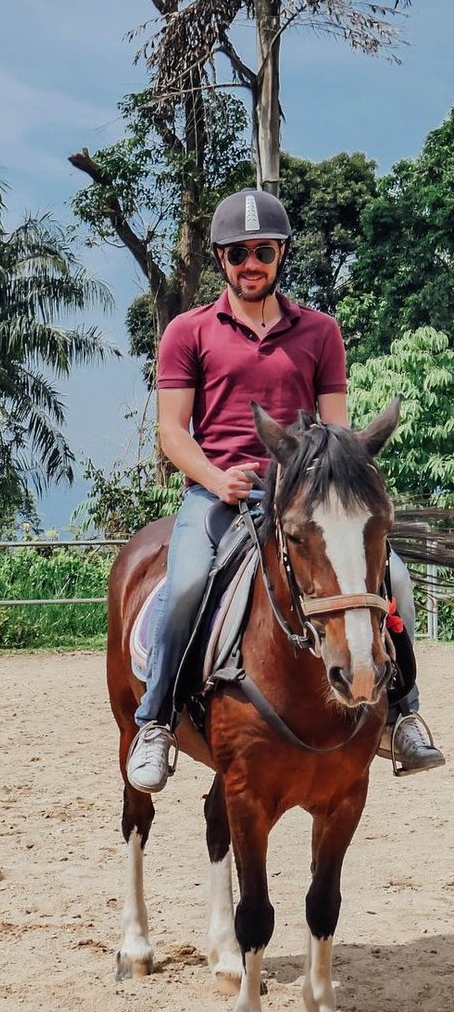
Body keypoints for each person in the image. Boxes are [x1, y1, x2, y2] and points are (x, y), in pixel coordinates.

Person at [126, 187, 445, 794]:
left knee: (395, 578)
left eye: (264, 251)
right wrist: (216, 477)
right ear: (222, 258)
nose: (251, 263)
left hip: (302, 498)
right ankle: (157, 721)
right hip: (219, 492)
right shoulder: (187, 332)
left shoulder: (320, 332)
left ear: (281, 255)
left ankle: (402, 715)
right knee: (189, 581)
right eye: (239, 252)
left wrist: (323, 486)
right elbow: (172, 431)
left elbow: (337, 430)